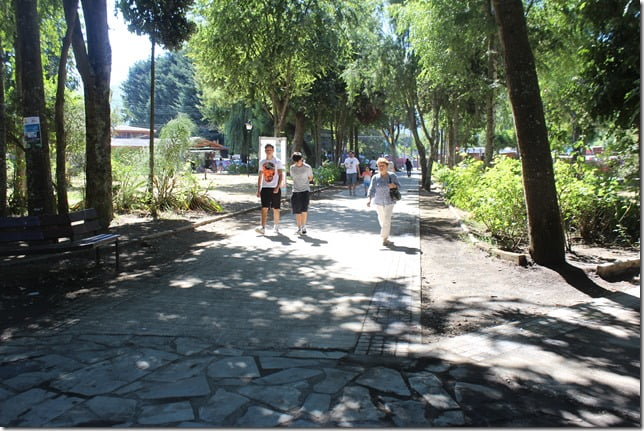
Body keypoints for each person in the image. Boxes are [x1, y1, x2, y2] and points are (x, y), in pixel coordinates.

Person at [367, 157, 401, 246]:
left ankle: (384, 238)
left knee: (387, 219)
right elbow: (371, 189)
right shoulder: (375, 177)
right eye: (379, 166)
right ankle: (385, 236)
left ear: (387, 166)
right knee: (382, 219)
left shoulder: (392, 176)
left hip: (389, 201)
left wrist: (393, 185)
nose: (380, 168)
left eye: (382, 166)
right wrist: (369, 199)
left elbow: (399, 186)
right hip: (378, 201)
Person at [255, 143, 284, 234]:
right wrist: (258, 189)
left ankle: (276, 226)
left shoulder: (277, 161)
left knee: (276, 208)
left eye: (270, 150)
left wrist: (277, 186)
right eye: (267, 150)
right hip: (265, 187)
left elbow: (280, 175)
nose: (268, 151)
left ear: (273, 150)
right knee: (264, 208)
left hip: (274, 187)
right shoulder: (262, 162)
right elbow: (260, 176)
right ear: (265, 151)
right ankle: (263, 227)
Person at [289, 152, 314, 235]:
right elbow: (293, 177)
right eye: (296, 162)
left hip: (305, 190)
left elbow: (310, 178)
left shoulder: (307, 167)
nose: (298, 163)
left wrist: (304, 182)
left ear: (302, 159)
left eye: (299, 161)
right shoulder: (292, 168)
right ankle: (299, 228)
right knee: (297, 211)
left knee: (304, 209)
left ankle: (304, 226)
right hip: (295, 191)